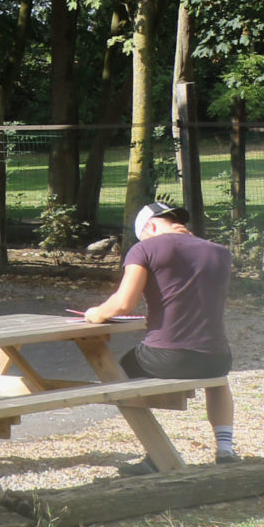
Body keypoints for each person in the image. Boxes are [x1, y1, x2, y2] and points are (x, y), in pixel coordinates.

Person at [84, 201, 237, 470]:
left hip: (167, 356)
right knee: (217, 381)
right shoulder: (220, 252)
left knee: (121, 372)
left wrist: (96, 313)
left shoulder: (144, 248)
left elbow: (123, 303)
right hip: (217, 357)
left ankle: (157, 454)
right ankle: (225, 449)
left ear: (150, 227)